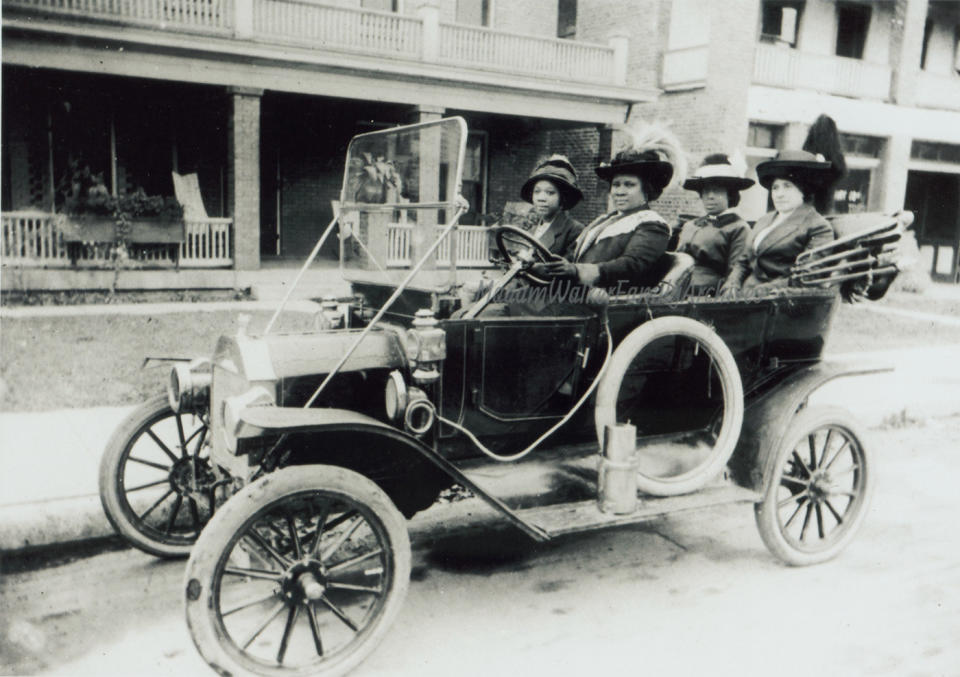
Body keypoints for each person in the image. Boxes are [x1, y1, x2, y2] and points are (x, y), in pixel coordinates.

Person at [531, 126, 684, 291]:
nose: (619, 191)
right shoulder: (604, 221)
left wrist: (577, 271)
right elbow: (571, 259)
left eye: (629, 185)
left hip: (602, 302)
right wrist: (538, 268)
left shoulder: (652, 225)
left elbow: (631, 265)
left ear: (646, 189)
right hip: (572, 294)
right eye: (616, 185)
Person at [676, 154, 754, 296]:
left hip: (707, 294)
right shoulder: (690, 224)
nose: (710, 196)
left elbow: (736, 269)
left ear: (730, 195)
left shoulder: (738, 227)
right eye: (705, 191)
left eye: (717, 191)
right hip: (675, 287)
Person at [517, 155, 584, 259]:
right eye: (537, 191)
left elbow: (565, 269)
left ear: (562, 198)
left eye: (550, 193)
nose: (541, 198)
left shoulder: (574, 230)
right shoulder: (532, 229)